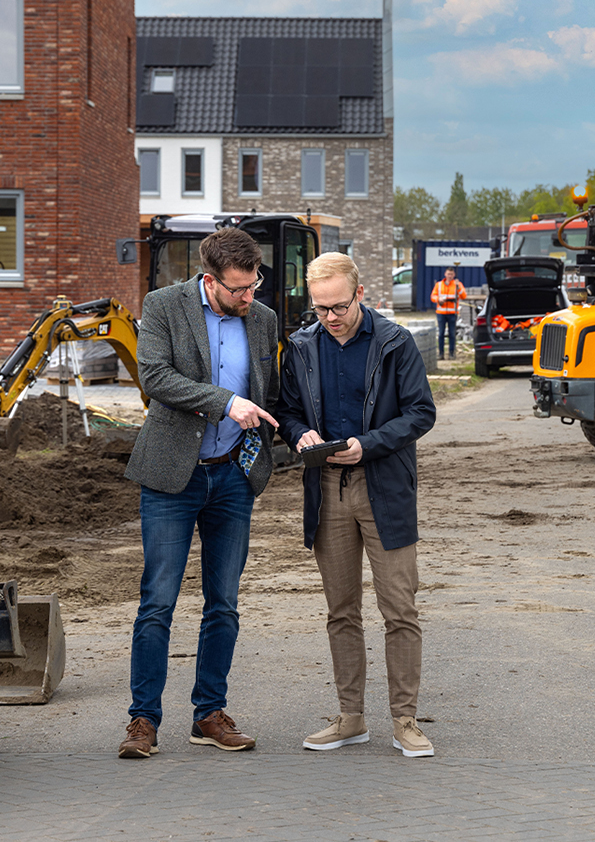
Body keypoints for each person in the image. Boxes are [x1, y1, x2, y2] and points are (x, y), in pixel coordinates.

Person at [118, 228, 281, 759]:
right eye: (238, 288)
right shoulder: (164, 305)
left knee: (224, 604)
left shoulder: (263, 319)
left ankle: (209, 713)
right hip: (172, 476)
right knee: (158, 602)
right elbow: (155, 377)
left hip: (232, 477)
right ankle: (143, 721)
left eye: (254, 284)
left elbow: (271, 391)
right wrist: (225, 402)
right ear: (209, 281)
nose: (248, 296)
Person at [274, 252, 438, 758]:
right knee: (341, 611)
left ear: (360, 294)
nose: (330, 317)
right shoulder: (301, 346)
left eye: (339, 306)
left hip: (384, 486)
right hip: (326, 490)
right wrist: (301, 435)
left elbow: (421, 412)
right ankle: (351, 718)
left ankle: (405, 720)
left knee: (399, 609)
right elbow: (287, 411)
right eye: (320, 308)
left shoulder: (395, 342)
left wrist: (367, 445)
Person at [430, 266, 467, 360]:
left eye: (451, 274)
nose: (449, 276)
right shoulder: (439, 285)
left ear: (454, 275)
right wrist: (439, 299)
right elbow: (433, 296)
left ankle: (451, 353)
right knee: (441, 334)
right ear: (445, 274)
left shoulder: (457, 284)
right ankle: (441, 354)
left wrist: (458, 287)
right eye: (448, 274)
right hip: (441, 312)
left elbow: (463, 296)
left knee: (452, 334)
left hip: (452, 313)